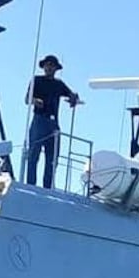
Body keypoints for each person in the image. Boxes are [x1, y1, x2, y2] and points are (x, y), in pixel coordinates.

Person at [25, 55, 81, 189]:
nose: (49, 67)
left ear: (56, 68)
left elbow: (71, 94)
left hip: (53, 124)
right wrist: (35, 101)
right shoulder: (36, 80)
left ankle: (47, 187)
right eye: (47, 65)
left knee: (52, 159)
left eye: (52, 65)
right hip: (39, 121)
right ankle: (30, 186)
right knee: (33, 154)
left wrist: (74, 97)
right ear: (44, 67)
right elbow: (27, 98)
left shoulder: (58, 84)